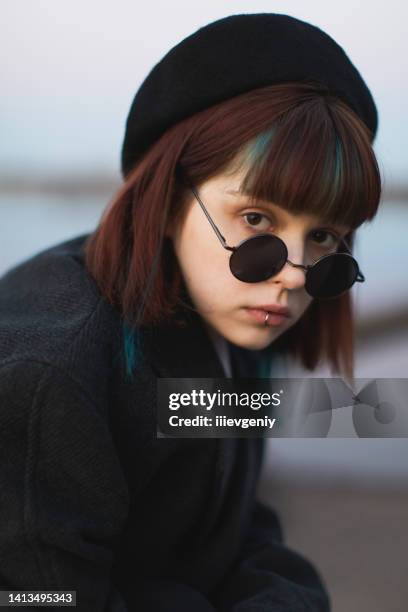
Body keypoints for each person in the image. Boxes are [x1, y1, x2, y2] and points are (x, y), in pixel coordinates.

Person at [0, 13, 381, 612]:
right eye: (257, 221)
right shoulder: (50, 376)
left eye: (326, 238)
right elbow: (35, 595)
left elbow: (229, 516)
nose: (294, 274)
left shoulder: (232, 320)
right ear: (170, 197)